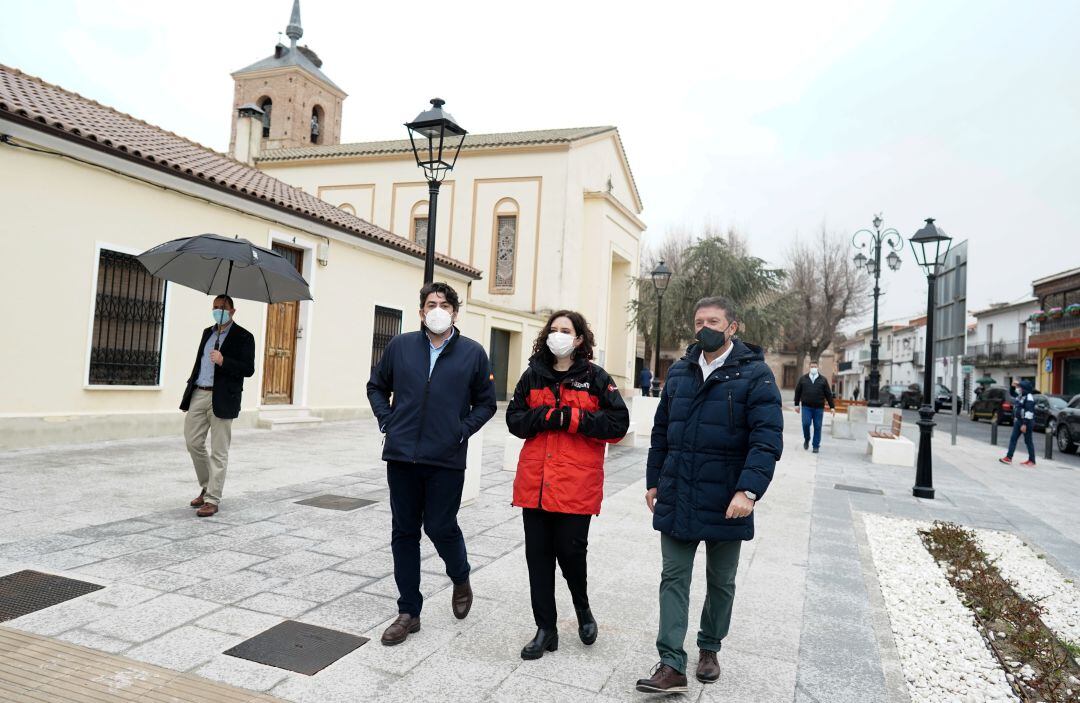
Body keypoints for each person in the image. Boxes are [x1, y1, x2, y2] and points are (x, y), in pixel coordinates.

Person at [636, 297, 783, 693]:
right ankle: (671, 663)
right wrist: (654, 481)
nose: (705, 327)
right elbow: (661, 432)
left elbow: (766, 440)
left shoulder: (756, 376)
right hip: (680, 491)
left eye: (713, 321)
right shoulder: (680, 372)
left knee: (721, 582)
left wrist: (749, 490)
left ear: (733, 326)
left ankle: (710, 647)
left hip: (727, 499)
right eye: (699, 320)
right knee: (673, 578)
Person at [367, 282, 497, 646]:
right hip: (402, 455)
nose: (437, 309)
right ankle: (409, 611)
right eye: (430, 304)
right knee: (404, 532)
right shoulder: (401, 346)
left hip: (446, 458)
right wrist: (387, 420)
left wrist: (461, 430)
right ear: (422, 311)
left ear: (454, 312)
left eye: (443, 304)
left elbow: (487, 403)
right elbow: (376, 386)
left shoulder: (472, 353)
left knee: (440, 526)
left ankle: (460, 575)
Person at [506, 311, 630, 660]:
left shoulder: (595, 378)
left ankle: (583, 609)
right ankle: (545, 629)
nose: (558, 335)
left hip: (576, 485)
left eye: (566, 330)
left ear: (578, 340)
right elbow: (514, 419)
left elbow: (619, 423)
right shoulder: (533, 376)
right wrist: (545, 417)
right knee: (538, 559)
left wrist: (574, 418)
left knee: (571, 555)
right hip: (536, 485)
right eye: (553, 330)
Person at [180, 295, 255, 518]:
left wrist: (224, 361)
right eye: (215, 307)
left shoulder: (244, 336)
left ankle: (212, 499)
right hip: (199, 393)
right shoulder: (207, 333)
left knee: (219, 451)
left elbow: (248, 369)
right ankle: (206, 486)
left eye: (222, 307)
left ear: (233, 311)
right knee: (193, 442)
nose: (218, 311)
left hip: (223, 397)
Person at [793, 360, 835, 453]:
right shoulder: (803, 379)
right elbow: (798, 392)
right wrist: (796, 405)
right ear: (809, 367)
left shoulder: (823, 380)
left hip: (819, 408)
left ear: (817, 367)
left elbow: (828, 394)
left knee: (817, 426)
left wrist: (832, 407)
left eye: (815, 367)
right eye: (812, 366)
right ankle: (807, 439)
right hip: (806, 407)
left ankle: (816, 446)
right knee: (806, 424)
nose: (813, 368)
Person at [1000, 379, 1036, 467]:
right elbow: (1012, 392)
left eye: (1021, 387)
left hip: (1026, 422)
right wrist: (1013, 386)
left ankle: (1032, 460)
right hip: (1018, 421)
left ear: (1025, 389)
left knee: (1028, 441)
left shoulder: (1029, 397)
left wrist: (1025, 424)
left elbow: (1029, 412)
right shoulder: (1020, 395)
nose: (1019, 388)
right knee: (1013, 439)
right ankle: (1009, 458)